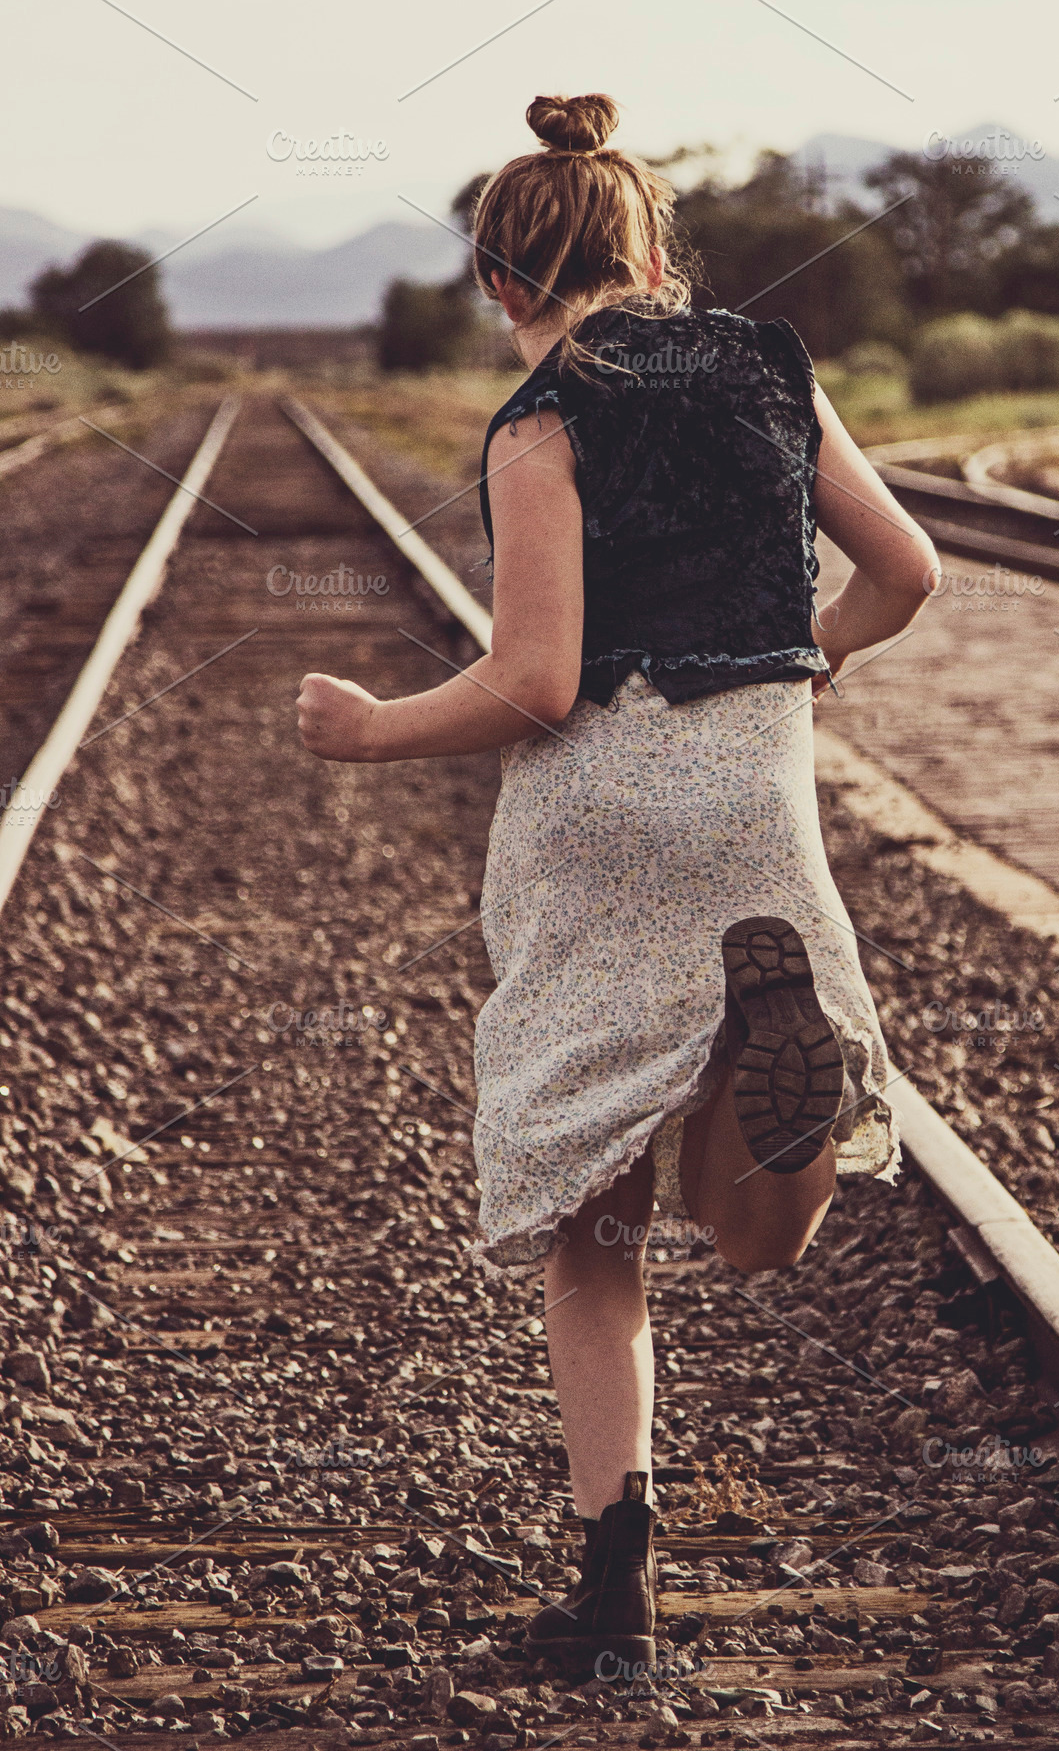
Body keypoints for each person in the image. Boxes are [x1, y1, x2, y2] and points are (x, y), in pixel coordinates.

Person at [296, 92, 940, 1675]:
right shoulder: (775, 370)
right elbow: (907, 573)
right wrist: (804, 666)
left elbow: (534, 679)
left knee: (594, 1218)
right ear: (653, 249)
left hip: (598, 823)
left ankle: (614, 1591)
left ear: (504, 285)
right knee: (758, 1223)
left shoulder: (540, 419)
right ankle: (778, 1090)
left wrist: (374, 731)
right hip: (756, 809)